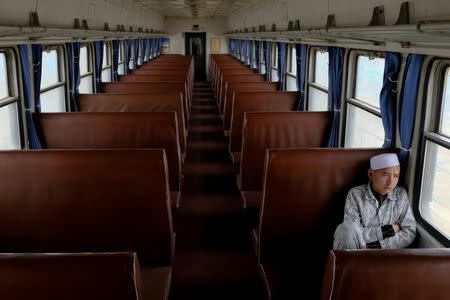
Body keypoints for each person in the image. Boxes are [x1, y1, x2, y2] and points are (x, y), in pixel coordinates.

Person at [333, 153, 416, 249]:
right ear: (371, 174)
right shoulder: (355, 195)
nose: (391, 181)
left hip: (387, 253)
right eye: (386, 175)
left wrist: (378, 246)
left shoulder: (401, 194)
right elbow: (353, 233)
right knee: (344, 229)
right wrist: (389, 230)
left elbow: (409, 232)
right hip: (356, 250)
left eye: (396, 176)